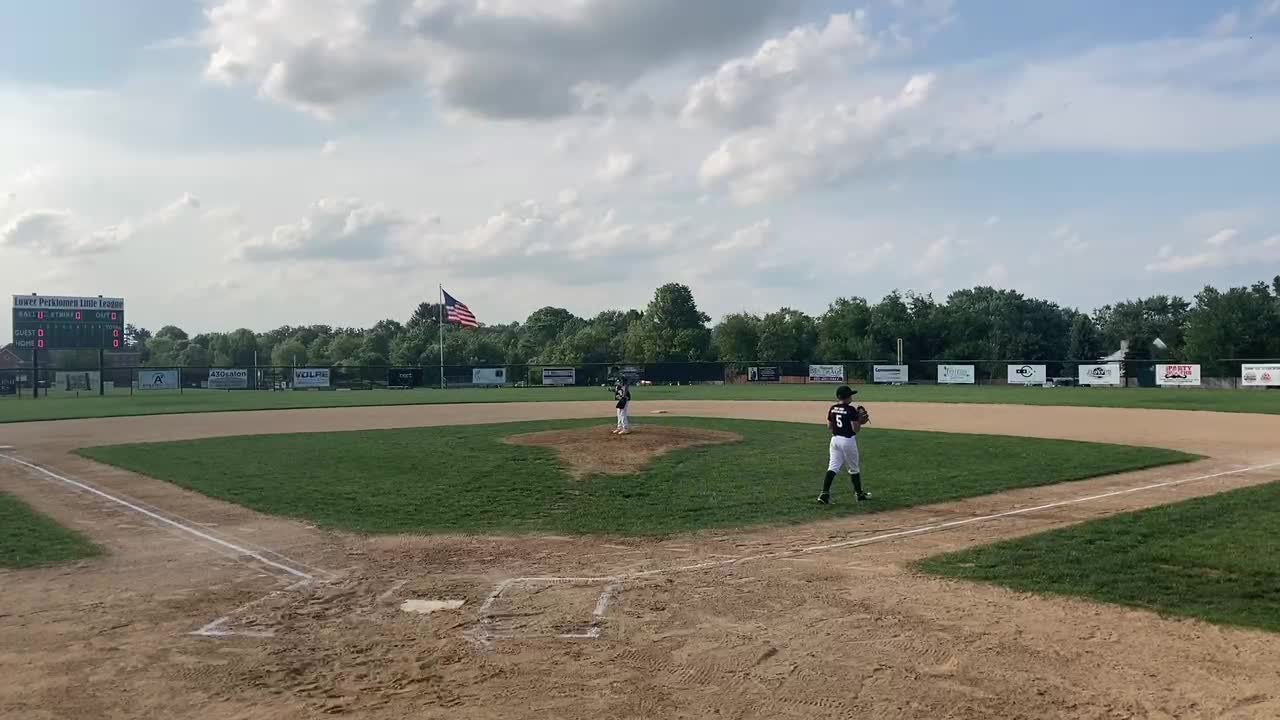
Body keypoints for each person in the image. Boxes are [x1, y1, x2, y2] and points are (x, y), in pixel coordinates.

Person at [818, 385, 870, 504]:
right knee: (853, 468)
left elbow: (829, 427)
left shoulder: (833, 408)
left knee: (833, 467)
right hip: (848, 441)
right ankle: (859, 494)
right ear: (847, 397)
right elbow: (855, 429)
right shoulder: (850, 409)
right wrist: (860, 422)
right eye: (850, 395)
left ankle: (824, 494)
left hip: (835, 440)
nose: (852, 397)